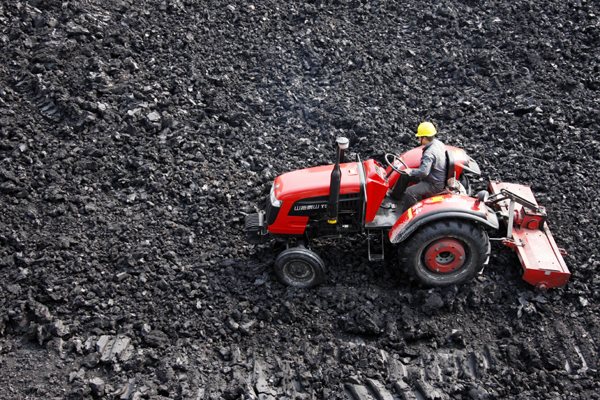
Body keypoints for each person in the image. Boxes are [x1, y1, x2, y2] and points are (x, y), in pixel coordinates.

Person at [396, 121, 447, 213]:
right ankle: (395, 197)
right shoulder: (438, 143)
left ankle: (405, 216)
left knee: (410, 192)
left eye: (419, 137)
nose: (418, 138)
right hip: (436, 176)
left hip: (433, 184)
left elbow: (424, 172)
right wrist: (409, 172)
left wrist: (411, 171)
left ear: (424, 138)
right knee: (404, 174)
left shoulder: (429, 153)